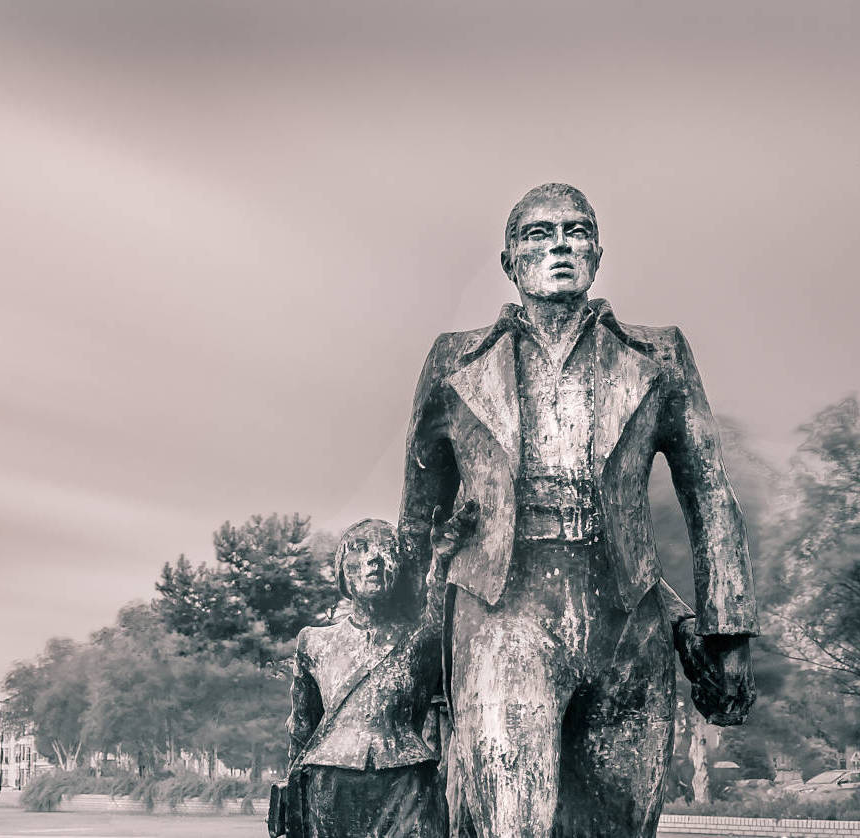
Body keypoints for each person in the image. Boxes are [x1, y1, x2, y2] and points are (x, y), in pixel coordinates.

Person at [398, 184, 758, 837]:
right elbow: (419, 518)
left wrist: (726, 636)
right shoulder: (454, 360)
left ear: (597, 252)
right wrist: (407, 653)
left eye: (575, 231)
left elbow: (707, 489)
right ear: (509, 260)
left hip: (628, 625)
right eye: (538, 234)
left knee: (619, 825)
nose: (559, 244)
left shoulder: (660, 353)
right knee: (513, 822)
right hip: (500, 616)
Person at [282, 504, 476, 838]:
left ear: (400, 570)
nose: (374, 558)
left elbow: (445, 613)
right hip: (329, 787)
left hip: (407, 784)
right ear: (344, 571)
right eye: (360, 549)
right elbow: (302, 729)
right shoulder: (314, 643)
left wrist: (441, 559)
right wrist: (291, 792)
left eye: (387, 550)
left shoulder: (421, 639)